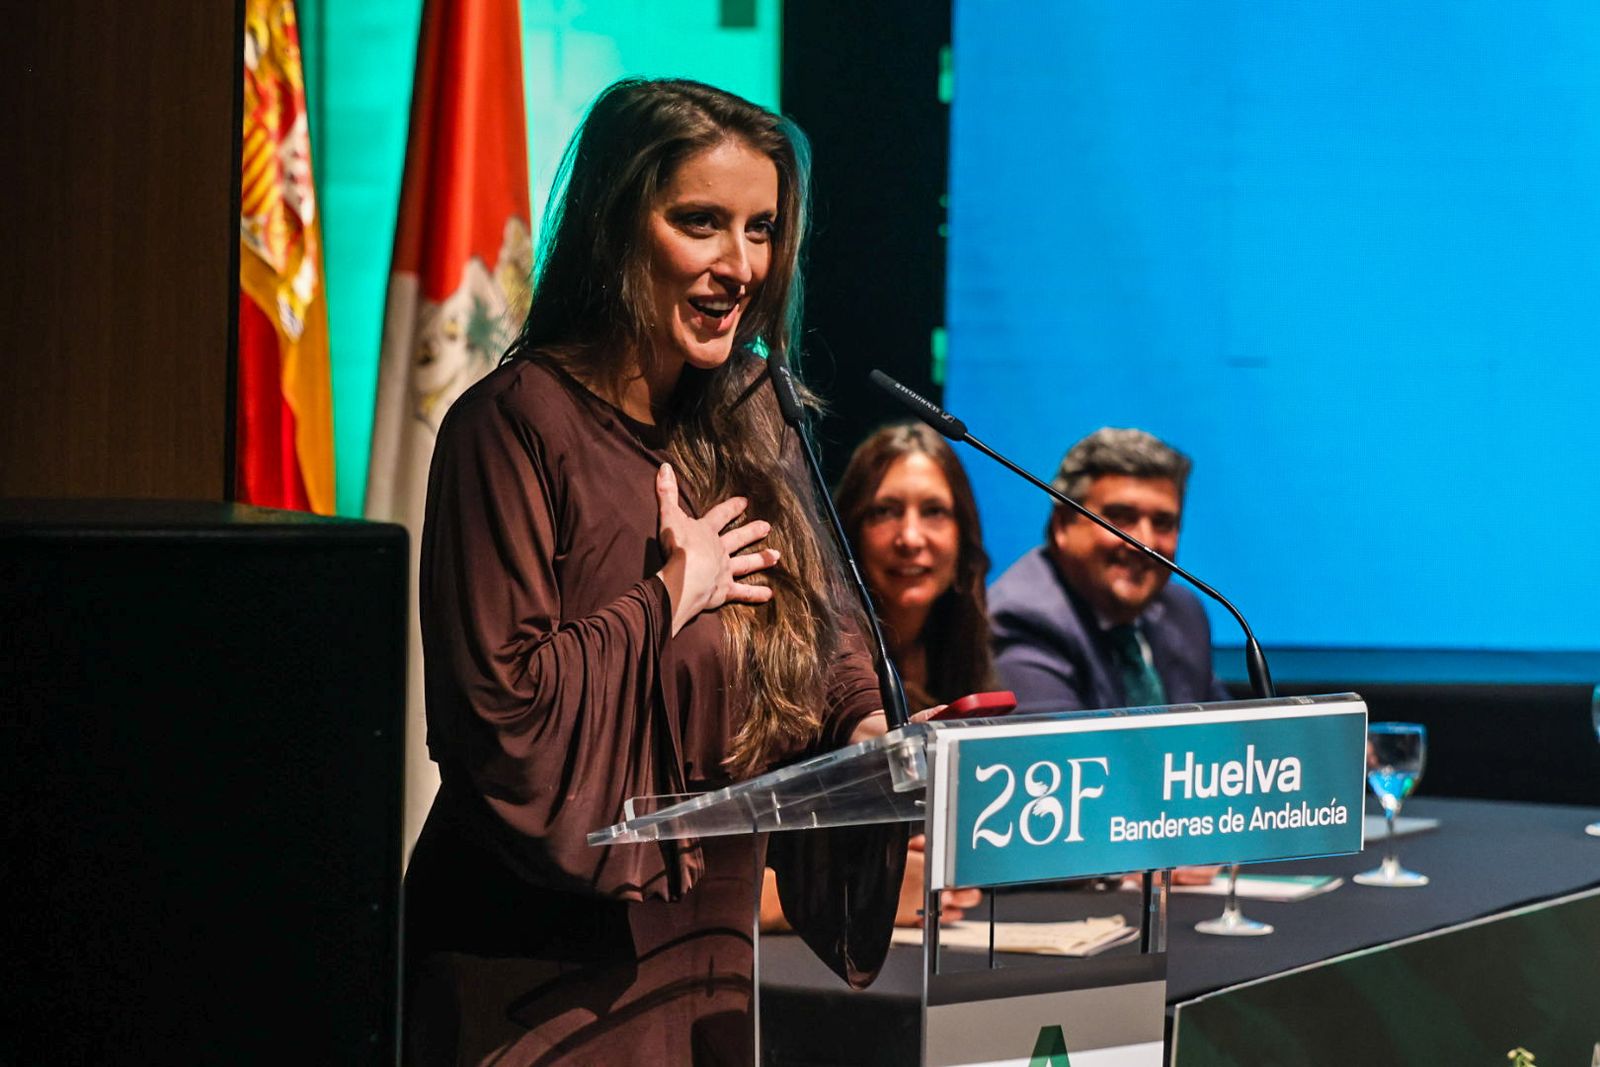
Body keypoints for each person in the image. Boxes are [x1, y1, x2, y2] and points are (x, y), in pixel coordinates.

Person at [403, 78, 907, 1066]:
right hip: (535, 972)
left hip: (704, 955)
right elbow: (500, 714)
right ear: (612, 226)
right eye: (700, 223)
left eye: (760, 229)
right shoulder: (511, 426)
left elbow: (833, 630)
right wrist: (669, 595)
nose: (741, 266)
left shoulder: (754, 419)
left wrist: (870, 728)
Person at [760, 422, 989, 930]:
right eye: (885, 512)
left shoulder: (964, 660)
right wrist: (871, 889)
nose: (911, 538)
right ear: (847, 531)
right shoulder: (803, 663)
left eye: (934, 512)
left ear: (963, 536)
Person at [988, 427, 1232, 714]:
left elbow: (1231, 742)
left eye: (1163, 523)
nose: (1145, 543)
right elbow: (1066, 753)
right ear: (1063, 525)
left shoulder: (1183, 611)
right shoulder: (1022, 619)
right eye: (1121, 518)